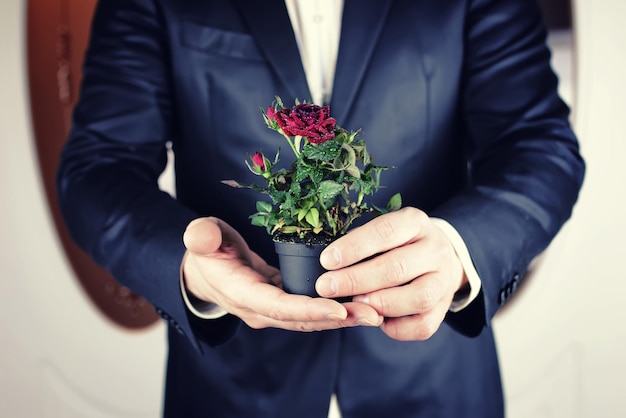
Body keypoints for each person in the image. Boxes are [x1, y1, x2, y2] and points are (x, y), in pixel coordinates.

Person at [57, 0, 585, 417]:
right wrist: (190, 266)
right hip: (237, 388)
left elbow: (538, 145)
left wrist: (458, 248)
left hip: (432, 384)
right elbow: (98, 170)